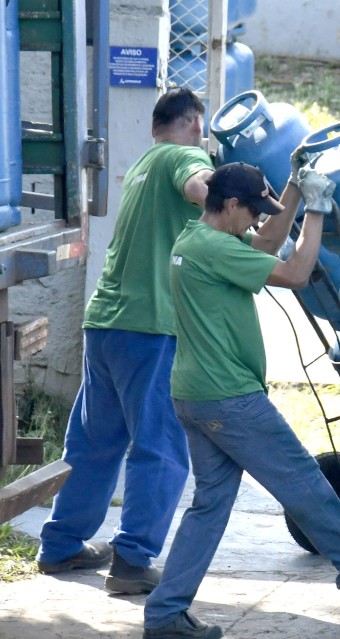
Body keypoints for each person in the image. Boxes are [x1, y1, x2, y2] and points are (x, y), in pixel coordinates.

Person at [142, 162, 340, 639]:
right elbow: (297, 273)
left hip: (195, 395)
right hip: (228, 398)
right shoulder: (215, 248)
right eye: (253, 211)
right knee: (302, 481)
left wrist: (292, 188)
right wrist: (317, 209)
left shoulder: (197, 238)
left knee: (209, 507)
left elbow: (265, 244)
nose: (258, 220)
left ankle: (164, 615)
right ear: (230, 205)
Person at [36, 88, 215, 594]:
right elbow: (200, 186)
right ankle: (132, 562)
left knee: (94, 443)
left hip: (106, 322)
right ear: (195, 124)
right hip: (150, 326)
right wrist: (227, 192)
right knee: (160, 445)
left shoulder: (142, 165)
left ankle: (61, 544)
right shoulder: (184, 157)